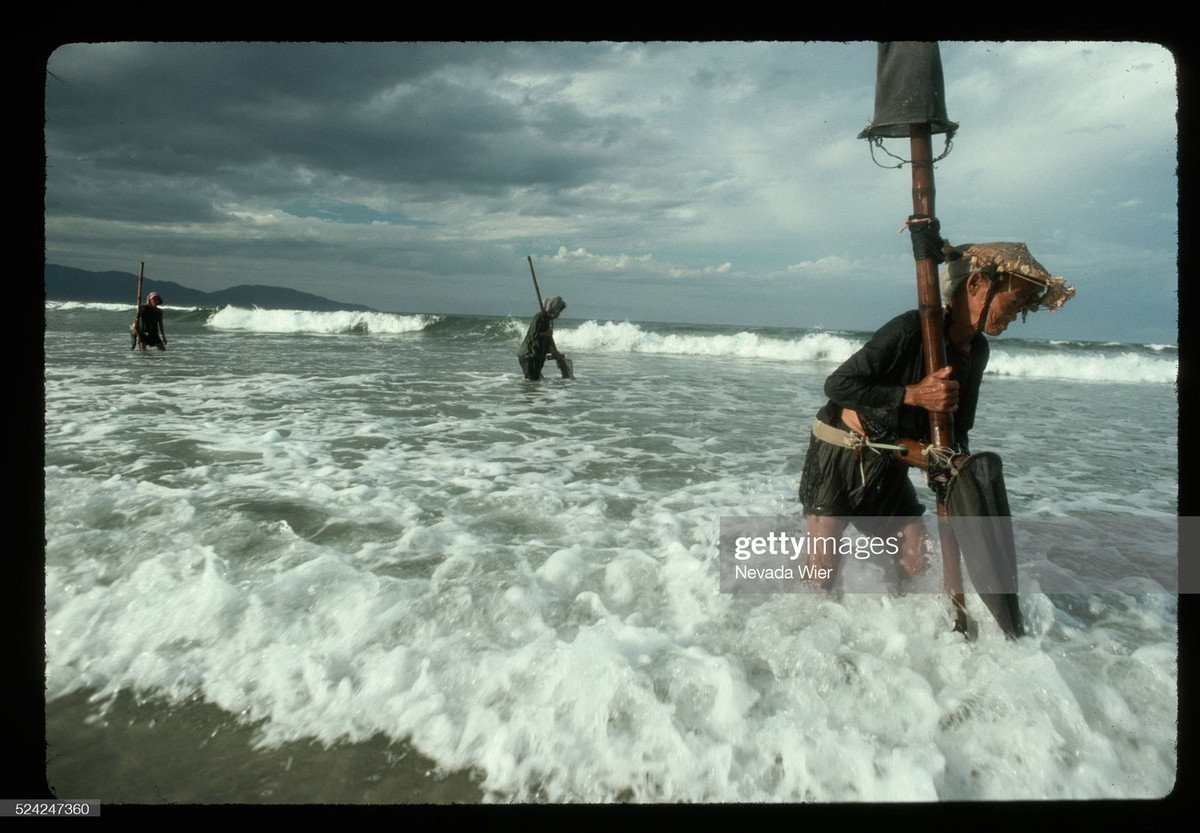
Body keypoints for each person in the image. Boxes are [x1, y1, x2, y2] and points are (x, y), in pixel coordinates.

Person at [796, 241, 1073, 589]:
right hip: (841, 454)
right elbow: (838, 385)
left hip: (892, 458)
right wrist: (913, 394)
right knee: (821, 575)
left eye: (1022, 308)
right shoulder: (912, 328)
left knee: (915, 560)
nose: (1015, 315)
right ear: (976, 284)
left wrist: (953, 472)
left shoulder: (978, 350)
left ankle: (907, 623)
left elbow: (960, 425)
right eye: (1015, 302)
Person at [518, 296, 567, 379]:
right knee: (531, 381)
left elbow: (549, 339)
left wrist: (555, 352)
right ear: (553, 310)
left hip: (537, 355)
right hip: (528, 354)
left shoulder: (547, 320)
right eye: (558, 312)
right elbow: (533, 335)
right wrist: (546, 333)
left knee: (535, 381)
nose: (558, 315)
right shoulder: (539, 318)